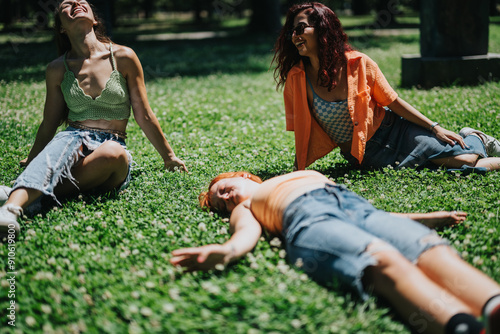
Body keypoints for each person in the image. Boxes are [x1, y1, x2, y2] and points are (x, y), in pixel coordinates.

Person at [171, 170, 500, 334]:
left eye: (224, 190)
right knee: (381, 260)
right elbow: (244, 234)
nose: (227, 199)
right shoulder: (248, 206)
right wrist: (227, 252)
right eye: (220, 204)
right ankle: (462, 325)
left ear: (242, 176)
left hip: (353, 206)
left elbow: (371, 216)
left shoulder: (295, 175)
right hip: (307, 220)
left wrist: (426, 219)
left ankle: (492, 304)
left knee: (428, 250)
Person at [0, 0, 187, 237]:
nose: (76, 3)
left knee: (115, 154)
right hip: (72, 140)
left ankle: (21, 190)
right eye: (67, 4)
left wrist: (169, 157)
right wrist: (34, 157)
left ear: (95, 19)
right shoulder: (58, 69)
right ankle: (11, 208)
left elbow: (144, 113)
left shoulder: (123, 56)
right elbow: (49, 123)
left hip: (111, 147)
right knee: (68, 141)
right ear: (61, 27)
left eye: (82, 2)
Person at [271, 2, 500, 172]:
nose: (294, 36)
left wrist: (434, 127)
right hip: (365, 156)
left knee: (466, 162)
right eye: (292, 31)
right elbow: (302, 130)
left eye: (300, 28)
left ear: (321, 29)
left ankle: (475, 138)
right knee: (457, 169)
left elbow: (393, 102)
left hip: (395, 131)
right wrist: (297, 171)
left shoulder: (359, 63)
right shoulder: (296, 78)